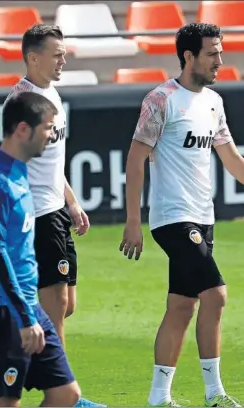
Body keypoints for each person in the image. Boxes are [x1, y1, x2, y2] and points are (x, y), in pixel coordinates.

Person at [0, 24, 105, 408]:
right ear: (33, 57)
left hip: (55, 209)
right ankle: (60, 391)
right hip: (36, 214)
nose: (63, 60)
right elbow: (17, 162)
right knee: (55, 303)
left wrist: (71, 201)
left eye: (63, 53)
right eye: (56, 54)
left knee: (66, 303)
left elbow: (53, 162)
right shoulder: (22, 102)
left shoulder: (50, 95)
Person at [119, 23, 244, 408]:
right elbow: (137, 156)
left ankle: (159, 398)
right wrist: (133, 221)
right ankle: (215, 394)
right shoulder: (161, 99)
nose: (220, 61)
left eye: (221, 53)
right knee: (217, 295)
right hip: (173, 218)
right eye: (212, 54)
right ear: (188, 56)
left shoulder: (213, 102)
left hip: (202, 218)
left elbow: (232, 161)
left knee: (182, 306)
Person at [0, 91, 82, 407]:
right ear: (22, 130)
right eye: (47, 129)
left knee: (66, 394)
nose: (52, 137)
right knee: (5, 404)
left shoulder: (20, 171)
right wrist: (24, 316)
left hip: (27, 307)